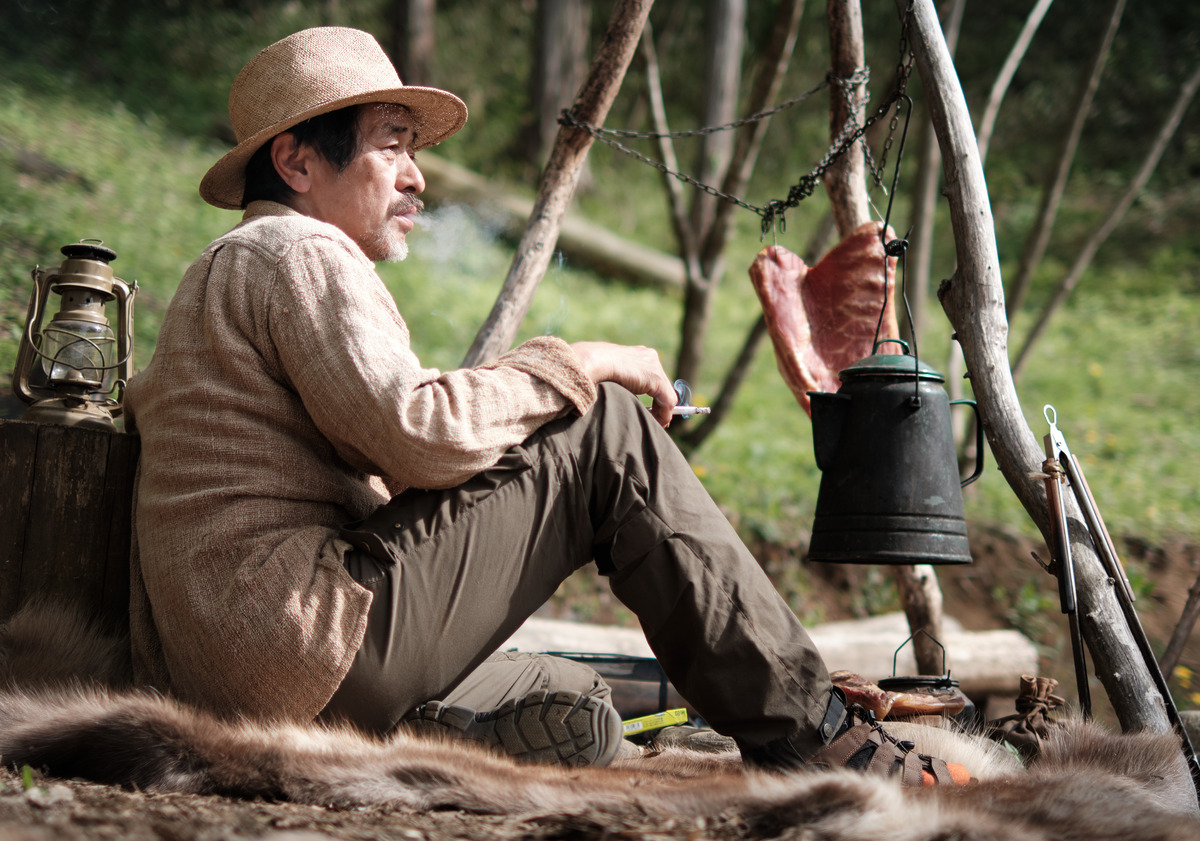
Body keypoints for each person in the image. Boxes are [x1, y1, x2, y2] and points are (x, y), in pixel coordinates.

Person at [124, 25, 965, 784]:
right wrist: (584, 362)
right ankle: (816, 735)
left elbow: (399, 436)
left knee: (577, 700)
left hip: (241, 672)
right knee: (604, 425)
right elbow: (419, 434)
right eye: (392, 145)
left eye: (413, 148)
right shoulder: (295, 249)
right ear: (298, 163)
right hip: (301, 646)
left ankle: (429, 727)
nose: (417, 175)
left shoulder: (233, 265)